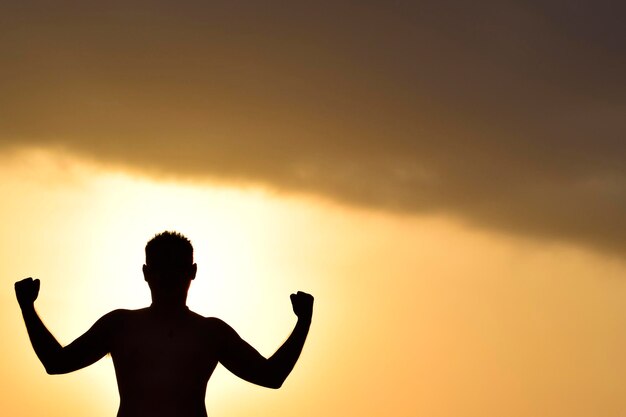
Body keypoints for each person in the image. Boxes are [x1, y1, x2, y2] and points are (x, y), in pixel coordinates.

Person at [15, 231, 314, 417]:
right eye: (161, 269)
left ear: (192, 272)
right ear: (146, 272)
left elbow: (271, 376)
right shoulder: (120, 326)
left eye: (177, 269)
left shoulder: (209, 333)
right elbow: (56, 363)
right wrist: (27, 308)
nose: (168, 277)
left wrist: (303, 323)